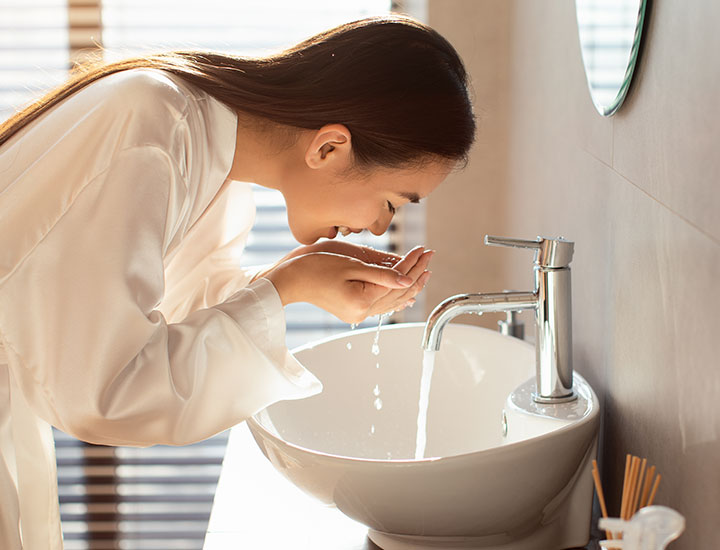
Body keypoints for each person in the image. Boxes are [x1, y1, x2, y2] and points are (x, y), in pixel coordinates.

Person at [0, 14, 475, 548]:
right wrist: (287, 285)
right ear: (328, 149)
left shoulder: (210, 155)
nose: (380, 227)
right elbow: (105, 391)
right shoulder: (153, 128)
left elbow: (179, 309)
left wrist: (300, 285)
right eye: (391, 202)